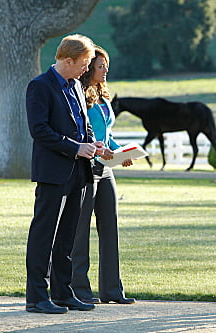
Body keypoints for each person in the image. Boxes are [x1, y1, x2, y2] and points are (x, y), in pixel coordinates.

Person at [25, 34, 111, 314]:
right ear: (68, 60)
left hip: (79, 172)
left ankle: (63, 293)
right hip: (53, 173)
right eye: (84, 64)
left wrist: (92, 144)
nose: (87, 70)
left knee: (68, 237)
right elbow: (39, 131)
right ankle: (37, 297)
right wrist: (76, 148)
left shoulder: (75, 85)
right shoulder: (39, 86)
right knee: (44, 234)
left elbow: (83, 124)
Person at [70, 45, 136, 305]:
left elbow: (107, 135)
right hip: (86, 168)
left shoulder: (103, 97)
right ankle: (79, 290)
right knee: (80, 231)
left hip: (106, 170)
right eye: (101, 66)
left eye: (106, 65)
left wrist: (122, 152)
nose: (106, 70)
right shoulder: (78, 96)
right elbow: (84, 135)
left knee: (110, 228)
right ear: (89, 69)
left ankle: (111, 290)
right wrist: (101, 151)